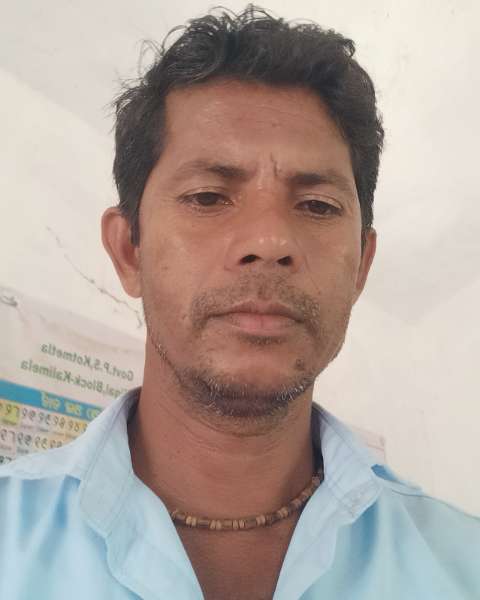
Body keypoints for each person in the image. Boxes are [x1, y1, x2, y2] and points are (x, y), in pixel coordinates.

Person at [1, 5, 479, 599]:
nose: (270, 242)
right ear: (128, 251)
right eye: (208, 196)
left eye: (318, 206)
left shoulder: (461, 565)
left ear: (361, 265)